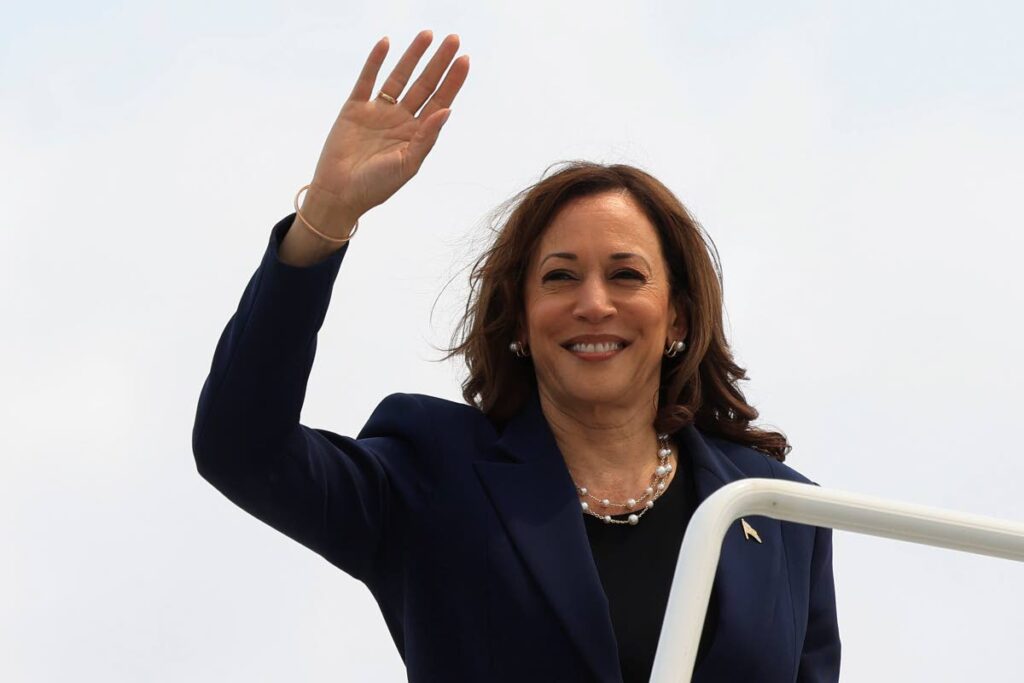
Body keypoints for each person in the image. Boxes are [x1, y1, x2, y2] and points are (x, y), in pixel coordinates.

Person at [191, 29, 841, 683]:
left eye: (626, 275)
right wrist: (325, 218)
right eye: (559, 277)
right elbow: (241, 449)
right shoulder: (432, 472)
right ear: (521, 321)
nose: (593, 303)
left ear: (677, 314)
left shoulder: (779, 511)